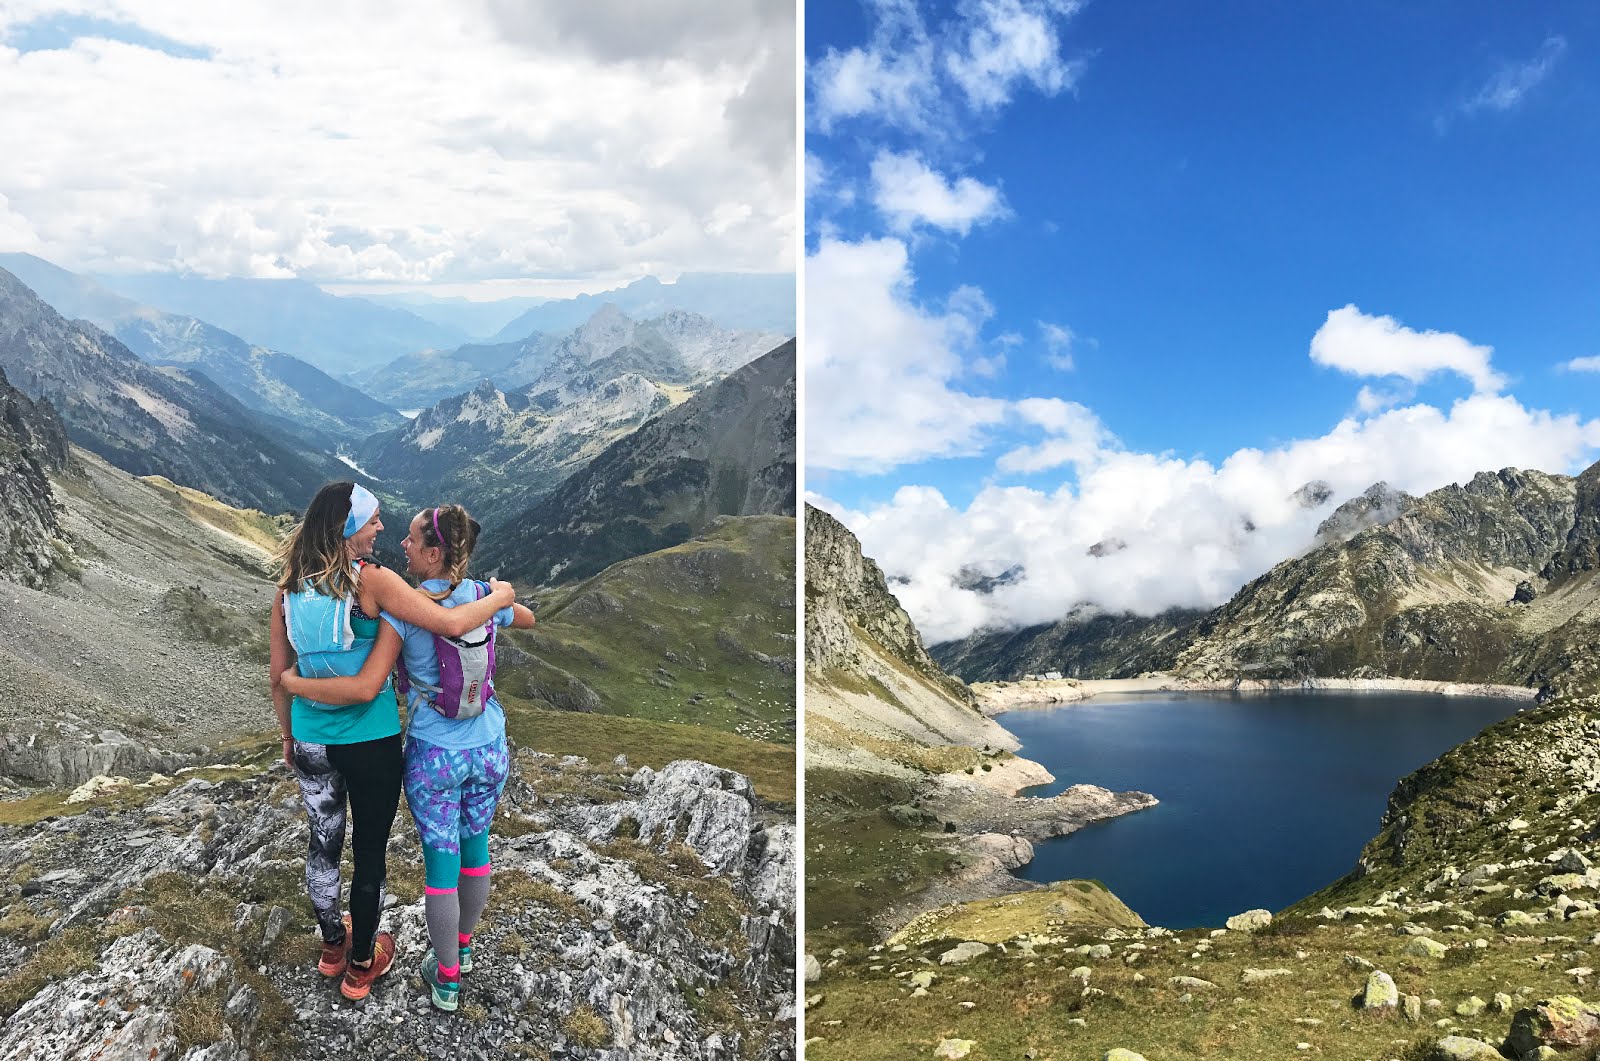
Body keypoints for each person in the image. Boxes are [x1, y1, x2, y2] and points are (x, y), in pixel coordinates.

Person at [268, 483, 517, 1003]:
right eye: (374, 520)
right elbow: (447, 622)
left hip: (312, 739)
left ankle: (332, 947)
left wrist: (290, 731)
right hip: (374, 739)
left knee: (323, 845)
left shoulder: (288, 588)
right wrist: (500, 597)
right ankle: (362, 966)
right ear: (346, 528)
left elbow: (277, 672)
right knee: (371, 853)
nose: (382, 529)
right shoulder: (373, 583)